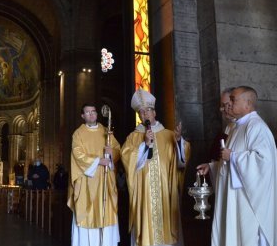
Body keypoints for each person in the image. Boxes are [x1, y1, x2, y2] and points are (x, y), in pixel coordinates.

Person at [197, 86, 277, 246]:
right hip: (235, 199)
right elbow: (229, 163)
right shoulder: (236, 128)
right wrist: (213, 167)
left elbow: (263, 162)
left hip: (249, 201)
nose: (229, 104)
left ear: (247, 103)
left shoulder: (256, 127)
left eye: (233, 100)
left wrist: (234, 157)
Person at [121, 89, 190, 246]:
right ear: (139, 116)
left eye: (148, 111)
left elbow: (181, 161)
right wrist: (144, 145)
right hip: (143, 191)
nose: (145, 114)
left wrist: (179, 142)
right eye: (141, 112)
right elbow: (126, 158)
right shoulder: (134, 136)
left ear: (155, 113)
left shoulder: (168, 134)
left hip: (164, 190)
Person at [68, 103, 121, 246]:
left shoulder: (106, 131)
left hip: (105, 182)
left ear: (97, 114)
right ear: (82, 116)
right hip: (87, 183)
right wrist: (98, 161)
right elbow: (77, 154)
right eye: (88, 112)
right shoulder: (78, 133)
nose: (91, 114)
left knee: (105, 214)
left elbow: (117, 149)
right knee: (88, 216)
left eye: (93, 111)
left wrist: (111, 154)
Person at [208, 88, 235, 162]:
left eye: (225, 105)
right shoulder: (229, 126)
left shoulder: (248, 126)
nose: (221, 109)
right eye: (222, 105)